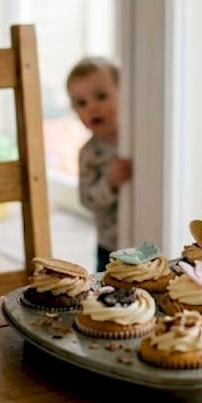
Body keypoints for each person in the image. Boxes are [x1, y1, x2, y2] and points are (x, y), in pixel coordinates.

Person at [69, 57, 133, 272]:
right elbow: (87, 199)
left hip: (142, 232)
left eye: (101, 96)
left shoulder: (136, 141)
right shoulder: (89, 154)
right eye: (81, 103)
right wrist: (110, 183)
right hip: (110, 243)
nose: (92, 107)